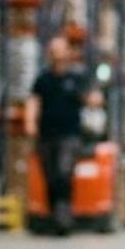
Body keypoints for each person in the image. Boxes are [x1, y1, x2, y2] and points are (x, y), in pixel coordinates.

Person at [24, 37, 93, 236]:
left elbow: (89, 97)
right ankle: (54, 215)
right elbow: (34, 101)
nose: (56, 55)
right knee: (51, 176)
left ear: (67, 53)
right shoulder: (43, 79)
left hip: (70, 135)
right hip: (47, 135)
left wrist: (92, 98)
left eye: (60, 50)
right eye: (53, 51)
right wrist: (30, 122)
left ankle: (64, 216)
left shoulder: (76, 78)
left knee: (64, 172)